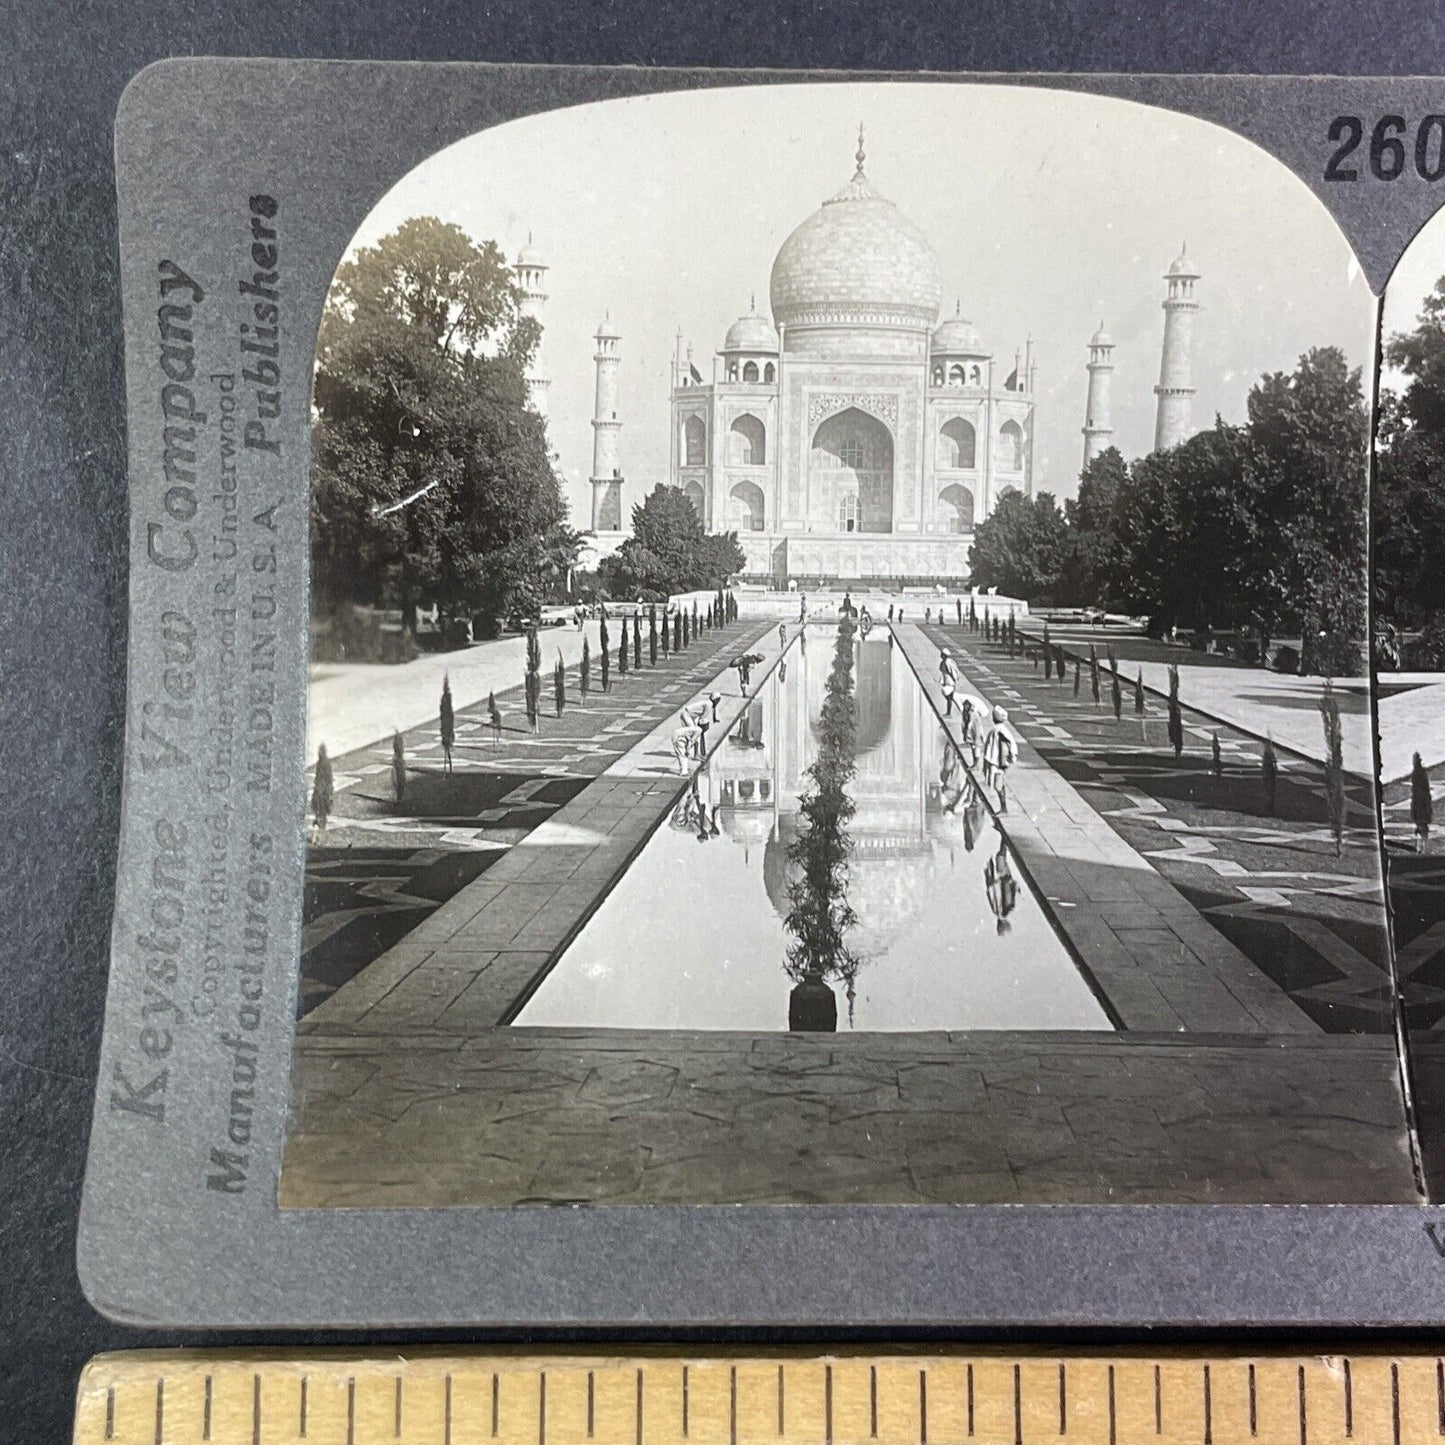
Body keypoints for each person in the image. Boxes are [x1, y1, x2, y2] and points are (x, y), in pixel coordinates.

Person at [982, 705, 1019, 813]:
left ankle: (1004, 808)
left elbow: (1010, 743)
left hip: (998, 761)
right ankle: (1003, 807)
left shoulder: (1000, 730)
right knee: (998, 783)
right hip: (998, 761)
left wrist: (1012, 756)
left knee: (997, 785)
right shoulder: (998, 730)